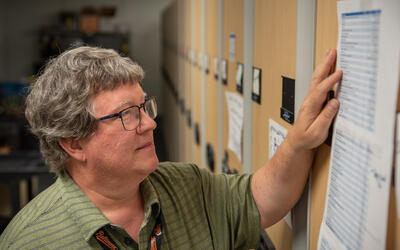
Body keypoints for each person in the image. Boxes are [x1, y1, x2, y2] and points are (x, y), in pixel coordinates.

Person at [0, 46, 342, 249]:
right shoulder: (31, 240)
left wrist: (299, 141)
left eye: (144, 106)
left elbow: (262, 198)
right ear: (74, 143)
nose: (149, 123)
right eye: (127, 115)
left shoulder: (183, 185)